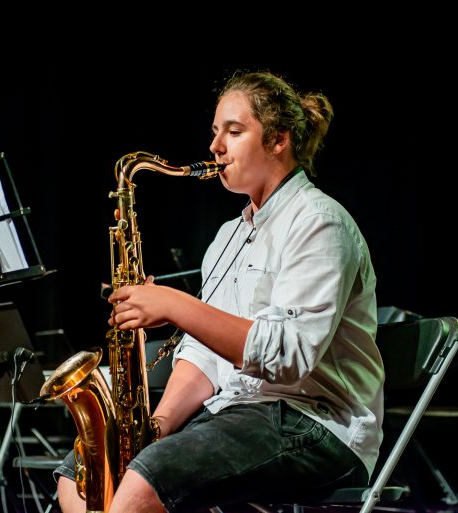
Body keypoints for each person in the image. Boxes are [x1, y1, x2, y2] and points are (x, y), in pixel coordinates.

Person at [55, 70, 384, 513]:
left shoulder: (319, 222)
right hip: (237, 412)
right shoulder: (228, 235)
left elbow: (287, 358)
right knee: (79, 474)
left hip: (315, 425)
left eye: (233, 131)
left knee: (141, 483)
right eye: (215, 132)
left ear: (278, 139)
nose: (215, 147)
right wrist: (157, 426)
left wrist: (174, 304)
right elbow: (204, 357)